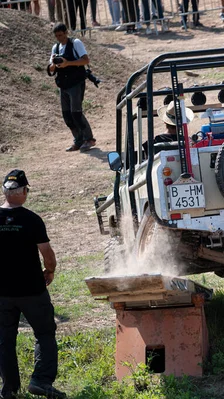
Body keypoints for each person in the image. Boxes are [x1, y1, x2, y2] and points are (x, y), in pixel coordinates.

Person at [0, 170, 66, 399]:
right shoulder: (31, 219)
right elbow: (47, 254)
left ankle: (9, 389)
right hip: (32, 290)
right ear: (24, 192)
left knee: (4, 339)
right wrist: (50, 271)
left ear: (5, 192)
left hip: (2, 292)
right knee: (45, 332)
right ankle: (41, 380)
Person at [48, 23, 96, 152]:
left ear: (66, 32)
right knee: (67, 115)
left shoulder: (76, 43)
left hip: (76, 83)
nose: (59, 38)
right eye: (57, 36)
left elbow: (85, 60)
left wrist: (68, 63)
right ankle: (78, 140)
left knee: (76, 113)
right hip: (63, 85)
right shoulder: (56, 47)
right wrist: (54, 63)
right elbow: (50, 68)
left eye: (61, 35)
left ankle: (89, 139)